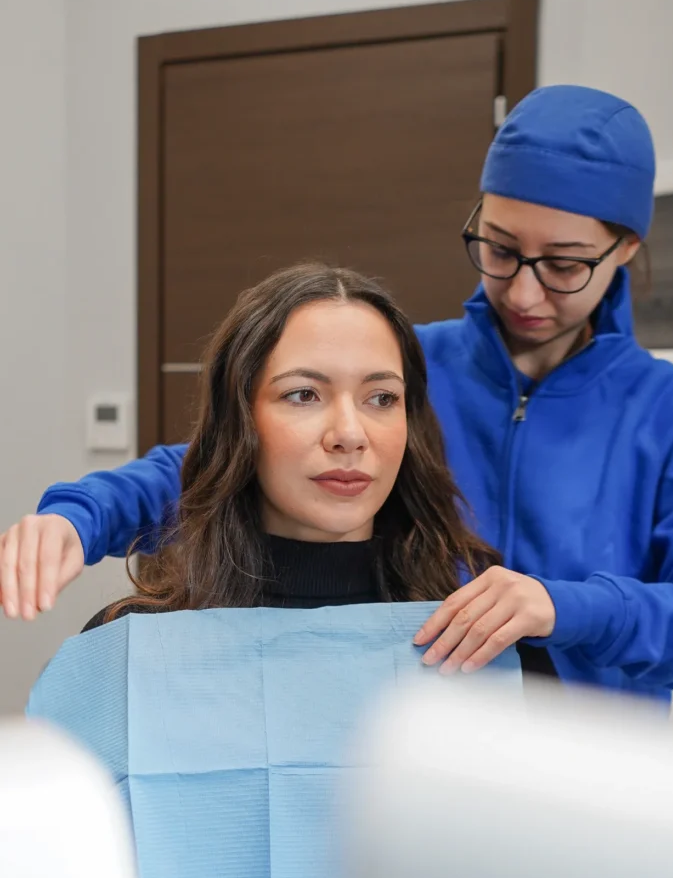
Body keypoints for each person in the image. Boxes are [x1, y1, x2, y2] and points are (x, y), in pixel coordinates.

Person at [2, 84, 673, 701]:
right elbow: (211, 463)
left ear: (626, 248)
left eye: (564, 264)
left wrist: (566, 608)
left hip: (581, 774)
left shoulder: (669, 415)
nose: (525, 290)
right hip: (405, 730)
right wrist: (79, 517)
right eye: (500, 249)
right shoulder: (404, 372)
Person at [72, 262, 503, 632]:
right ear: (240, 420)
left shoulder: (475, 639)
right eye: (304, 395)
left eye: (381, 398)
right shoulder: (133, 644)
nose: (350, 435)